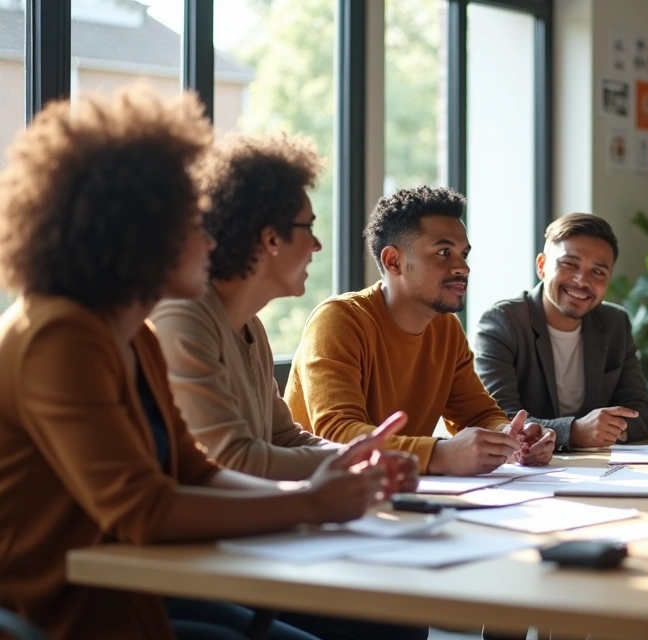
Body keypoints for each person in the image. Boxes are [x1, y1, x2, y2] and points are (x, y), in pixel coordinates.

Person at [0, 87, 416, 640]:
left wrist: (327, 489)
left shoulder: (132, 335)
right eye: (194, 223)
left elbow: (195, 471)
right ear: (139, 235)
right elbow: (143, 509)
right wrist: (311, 502)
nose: (211, 239)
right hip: (72, 617)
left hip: (139, 599)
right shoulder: (59, 336)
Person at [285, 186, 556, 475]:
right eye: (443, 252)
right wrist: (438, 453)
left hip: (391, 488)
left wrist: (512, 437)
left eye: (463, 254)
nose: (463, 267)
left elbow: (477, 414)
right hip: (316, 494)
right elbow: (338, 433)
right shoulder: (338, 320)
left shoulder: (445, 328)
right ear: (393, 261)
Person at [151, 133, 340, 480]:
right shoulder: (183, 316)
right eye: (308, 228)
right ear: (270, 238)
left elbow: (283, 438)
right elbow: (231, 460)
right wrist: (350, 463)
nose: (317, 245)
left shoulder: (251, 325)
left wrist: (361, 455)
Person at [474, 214, 648, 450]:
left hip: (600, 469)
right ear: (541, 266)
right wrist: (574, 432)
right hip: (527, 471)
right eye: (569, 264)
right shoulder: (503, 322)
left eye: (598, 272)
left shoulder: (614, 323)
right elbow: (497, 420)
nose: (582, 281)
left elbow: (641, 414)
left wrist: (603, 429)